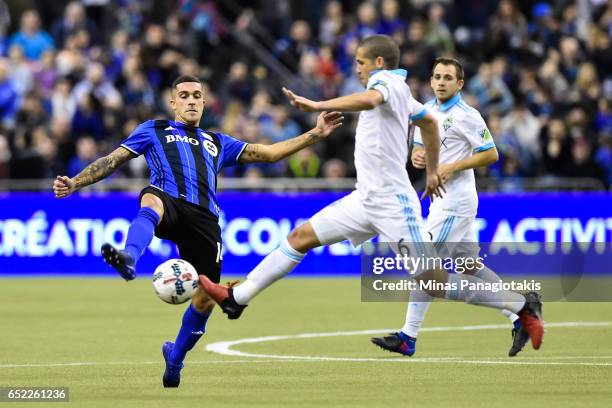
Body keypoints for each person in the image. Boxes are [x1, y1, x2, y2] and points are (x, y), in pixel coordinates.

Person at [197, 35, 544, 353]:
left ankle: (518, 305)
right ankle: (237, 297)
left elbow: (370, 98)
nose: (357, 69)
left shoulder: (386, 82)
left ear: (378, 62)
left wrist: (318, 104)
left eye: (360, 63)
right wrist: (434, 167)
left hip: (394, 204)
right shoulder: (406, 94)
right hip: (365, 199)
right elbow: (430, 124)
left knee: (434, 282)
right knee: (300, 237)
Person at [52, 75, 343, 388]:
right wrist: (76, 182)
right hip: (169, 203)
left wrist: (315, 133)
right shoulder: (154, 129)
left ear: (204, 103)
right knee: (150, 198)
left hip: (205, 221)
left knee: (205, 298)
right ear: (173, 102)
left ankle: (175, 359)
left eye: (197, 96)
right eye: (184, 95)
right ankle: (129, 256)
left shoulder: (217, 142)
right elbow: (112, 160)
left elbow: (268, 153)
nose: (191, 101)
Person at [372, 57, 529, 358]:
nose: (441, 81)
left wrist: (453, 165)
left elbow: (491, 154)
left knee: (423, 266)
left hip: (455, 202)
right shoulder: (425, 111)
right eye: (437, 76)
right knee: (469, 267)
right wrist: (418, 156)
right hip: (441, 200)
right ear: (430, 81)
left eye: (448, 77)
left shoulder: (467, 115)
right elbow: (420, 147)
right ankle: (520, 313)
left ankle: (408, 337)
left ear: (460, 84)